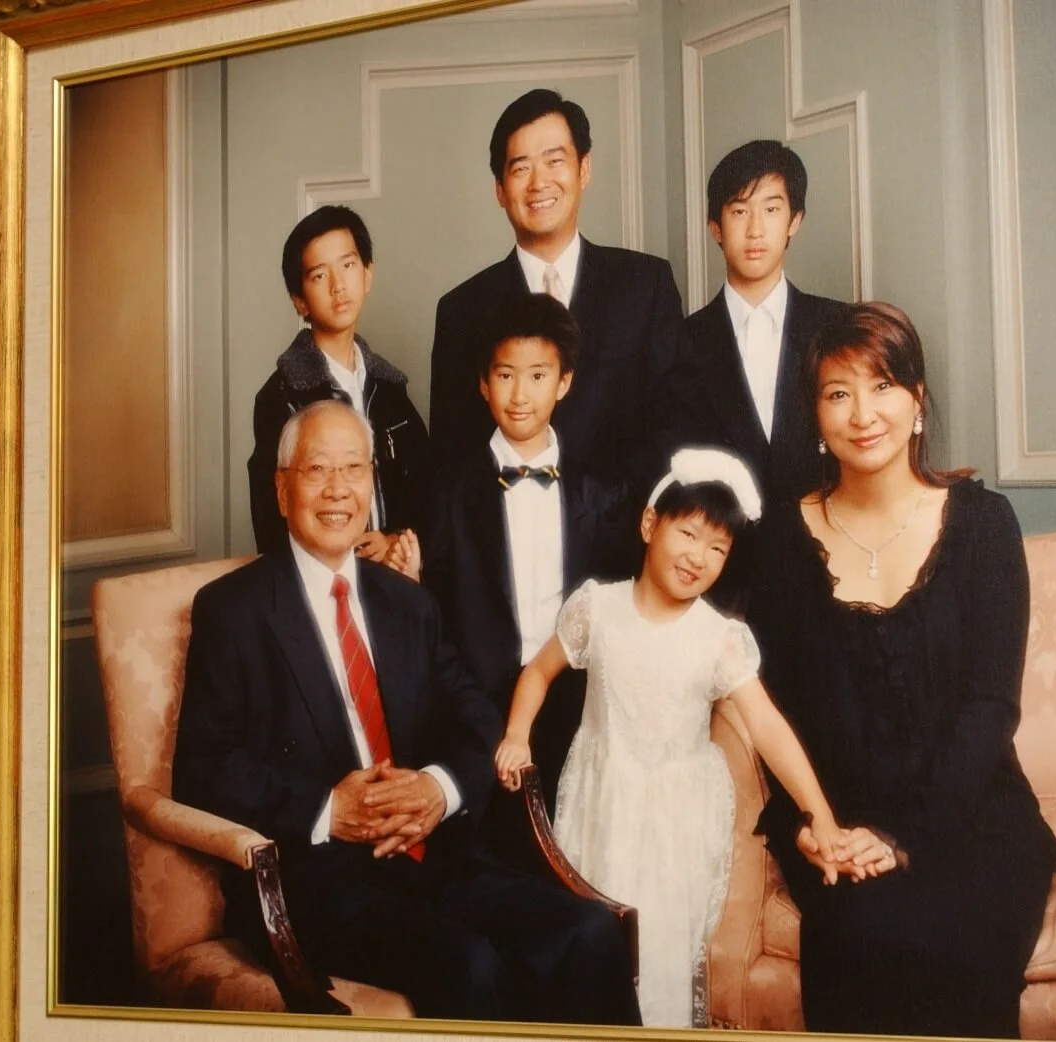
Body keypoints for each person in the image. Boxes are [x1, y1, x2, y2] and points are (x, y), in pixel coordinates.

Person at [175, 400, 641, 1025]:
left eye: (353, 468)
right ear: (282, 490)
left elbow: (476, 716)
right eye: (317, 469)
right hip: (317, 880)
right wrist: (328, 809)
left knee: (588, 931)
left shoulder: (407, 604)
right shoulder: (233, 610)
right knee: (471, 965)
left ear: (372, 483)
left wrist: (438, 789)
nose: (337, 489)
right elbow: (202, 767)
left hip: (431, 855)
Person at [746, 302, 1056, 1038]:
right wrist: (810, 825)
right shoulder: (783, 540)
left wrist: (901, 837)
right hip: (839, 822)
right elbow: (774, 709)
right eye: (838, 393)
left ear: (917, 401)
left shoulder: (984, 525)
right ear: (816, 414)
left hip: (968, 817)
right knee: (861, 938)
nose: (863, 414)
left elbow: (991, 708)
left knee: (949, 947)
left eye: (883, 386)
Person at [493, 448, 892, 1028]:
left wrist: (822, 818)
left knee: (660, 963)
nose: (698, 557)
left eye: (718, 548)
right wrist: (517, 734)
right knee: (590, 945)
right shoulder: (598, 608)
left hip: (676, 820)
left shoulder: (717, 637)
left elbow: (768, 727)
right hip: (601, 800)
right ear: (649, 524)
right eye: (687, 534)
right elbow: (538, 671)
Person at [417, 293, 637, 863]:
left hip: (576, 701)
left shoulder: (599, 490)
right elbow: (435, 610)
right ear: (483, 383)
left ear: (564, 382)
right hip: (479, 702)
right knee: (490, 858)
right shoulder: (449, 490)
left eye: (538, 376)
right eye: (505, 375)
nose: (520, 395)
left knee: (581, 849)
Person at [428, 88, 692, 489]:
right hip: (509, 522)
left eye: (554, 161)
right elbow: (452, 456)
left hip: (627, 522)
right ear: (499, 189)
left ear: (584, 169)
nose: (539, 183)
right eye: (521, 168)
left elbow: (675, 426)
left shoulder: (646, 284)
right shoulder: (461, 310)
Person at [248, 205, 432, 561]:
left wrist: (396, 540)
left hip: (393, 576)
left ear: (367, 275)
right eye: (319, 275)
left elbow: (427, 490)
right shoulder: (281, 397)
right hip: (323, 579)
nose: (338, 286)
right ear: (299, 300)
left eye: (347, 266)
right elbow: (270, 519)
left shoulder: (390, 389)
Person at [685, 140, 848, 503]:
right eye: (739, 211)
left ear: (794, 220)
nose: (755, 229)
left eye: (771, 209)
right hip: (722, 536)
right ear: (715, 228)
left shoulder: (838, 326)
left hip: (827, 530)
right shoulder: (681, 340)